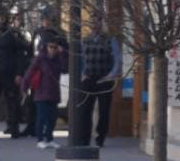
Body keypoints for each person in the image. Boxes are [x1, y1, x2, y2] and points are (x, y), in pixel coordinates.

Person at [74, 13, 120, 147]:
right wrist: (82, 74)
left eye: (97, 22)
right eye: (92, 22)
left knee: (104, 110)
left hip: (104, 79)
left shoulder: (110, 40)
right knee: (84, 110)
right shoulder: (85, 40)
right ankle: (84, 138)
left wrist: (111, 75)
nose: (94, 25)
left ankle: (101, 137)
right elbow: (81, 59)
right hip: (89, 78)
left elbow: (117, 59)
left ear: (101, 24)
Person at [23, 39, 65, 148]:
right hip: (41, 92)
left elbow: (63, 68)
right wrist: (24, 87)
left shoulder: (58, 59)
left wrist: (62, 53)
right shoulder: (40, 59)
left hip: (54, 92)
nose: (52, 49)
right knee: (42, 117)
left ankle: (49, 138)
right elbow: (30, 72)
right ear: (46, 47)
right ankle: (40, 139)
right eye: (50, 47)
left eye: (55, 47)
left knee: (52, 118)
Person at [0, 10, 31, 138]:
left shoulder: (12, 34)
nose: (1, 20)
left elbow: (20, 54)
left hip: (10, 73)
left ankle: (13, 127)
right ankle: (10, 125)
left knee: (12, 100)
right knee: (1, 101)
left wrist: (19, 73)